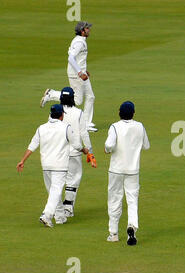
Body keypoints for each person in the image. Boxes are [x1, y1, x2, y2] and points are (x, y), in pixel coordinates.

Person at [16, 104, 88, 227]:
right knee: (55, 191)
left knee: (53, 191)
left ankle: (60, 217)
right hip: (60, 166)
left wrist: (23, 160)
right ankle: (47, 215)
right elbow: (76, 145)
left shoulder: (41, 128)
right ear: (61, 115)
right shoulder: (66, 127)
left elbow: (32, 146)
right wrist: (84, 150)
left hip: (46, 165)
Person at [105, 101, 150, 245]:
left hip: (116, 169)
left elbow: (109, 145)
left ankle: (113, 234)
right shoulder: (140, 126)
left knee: (114, 199)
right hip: (133, 170)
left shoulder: (115, 127)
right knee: (132, 200)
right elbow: (146, 146)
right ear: (133, 113)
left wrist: (107, 150)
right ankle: (132, 227)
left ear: (119, 113)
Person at [40, 21, 97, 132]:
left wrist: (84, 70)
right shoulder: (79, 42)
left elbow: (79, 59)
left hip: (81, 73)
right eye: (87, 28)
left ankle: (86, 123)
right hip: (76, 75)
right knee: (77, 100)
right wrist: (80, 73)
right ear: (82, 31)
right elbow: (71, 58)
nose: (89, 30)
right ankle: (51, 94)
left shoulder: (81, 41)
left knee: (91, 96)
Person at [58, 87, 97, 219]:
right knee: (73, 180)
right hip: (74, 152)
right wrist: (90, 152)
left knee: (58, 180)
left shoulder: (56, 111)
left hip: (58, 152)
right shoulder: (79, 113)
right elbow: (84, 133)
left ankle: (57, 208)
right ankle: (68, 208)